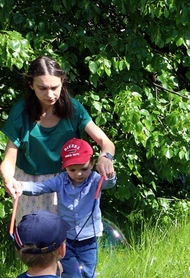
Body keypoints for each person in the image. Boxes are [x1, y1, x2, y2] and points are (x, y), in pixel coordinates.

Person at [1, 56, 116, 220]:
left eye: (55, 87)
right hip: (29, 182)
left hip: (68, 180)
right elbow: (9, 160)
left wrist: (106, 157)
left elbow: (106, 142)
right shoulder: (20, 112)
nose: (50, 94)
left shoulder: (74, 108)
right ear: (31, 85)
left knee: (66, 237)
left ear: (62, 82)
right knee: (31, 236)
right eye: (42, 88)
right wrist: (8, 179)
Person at [15, 138, 116, 278]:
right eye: (72, 169)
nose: (78, 174)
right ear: (64, 167)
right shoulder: (60, 181)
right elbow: (41, 187)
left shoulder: (94, 180)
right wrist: (21, 186)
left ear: (92, 164)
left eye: (83, 168)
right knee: (71, 273)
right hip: (67, 237)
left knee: (89, 271)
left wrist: (109, 172)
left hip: (89, 237)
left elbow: (109, 183)